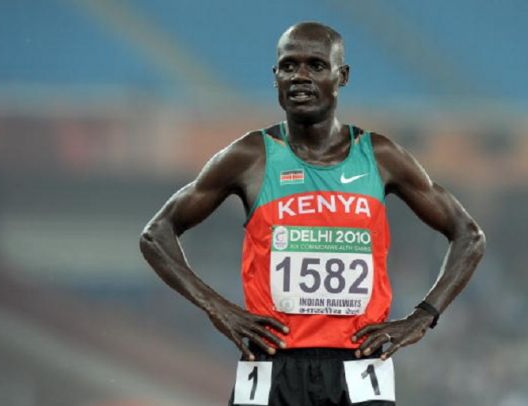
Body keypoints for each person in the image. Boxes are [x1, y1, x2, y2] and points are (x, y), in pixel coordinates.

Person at [139, 21, 485, 406]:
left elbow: (468, 235)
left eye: (316, 65)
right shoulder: (250, 157)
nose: (300, 76)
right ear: (275, 77)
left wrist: (423, 317)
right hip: (270, 363)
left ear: (342, 76)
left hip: (359, 367)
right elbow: (156, 235)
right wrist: (218, 308)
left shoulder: (380, 157)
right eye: (289, 66)